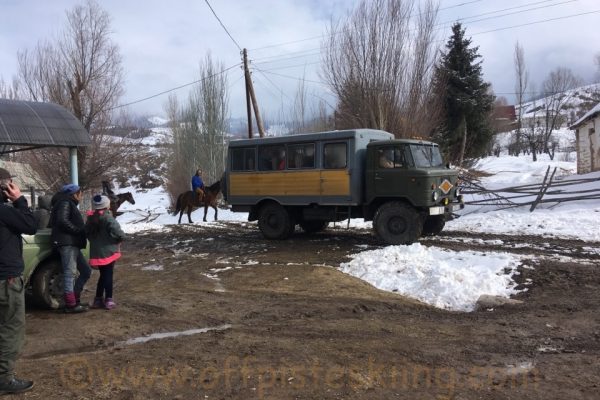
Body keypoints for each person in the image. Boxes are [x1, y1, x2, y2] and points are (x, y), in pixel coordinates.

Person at [0, 167, 37, 395]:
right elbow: (31, 225)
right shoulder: (4, 212)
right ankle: (4, 378)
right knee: (11, 328)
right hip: (6, 279)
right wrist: (20, 200)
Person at [50, 183, 91, 313]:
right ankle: (70, 304)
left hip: (72, 243)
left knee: (85, 271)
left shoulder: (66, 203)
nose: (81, 196)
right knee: (70, 273)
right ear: (74, 194)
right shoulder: (65, 203)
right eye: (80, 193)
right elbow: (62, 221)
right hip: (68, 243)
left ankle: (75, 299)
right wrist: (78, 230)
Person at [85, 195, 125, 310]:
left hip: (97, 252)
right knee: (108, 275)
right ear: (107, 206)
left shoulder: (90, 219)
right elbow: (119, 233)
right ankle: (109, 299)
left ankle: (98, 299)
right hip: (109, 252)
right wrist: (119, 238)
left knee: (103, 275)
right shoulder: (108, 218)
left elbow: (86, 232)